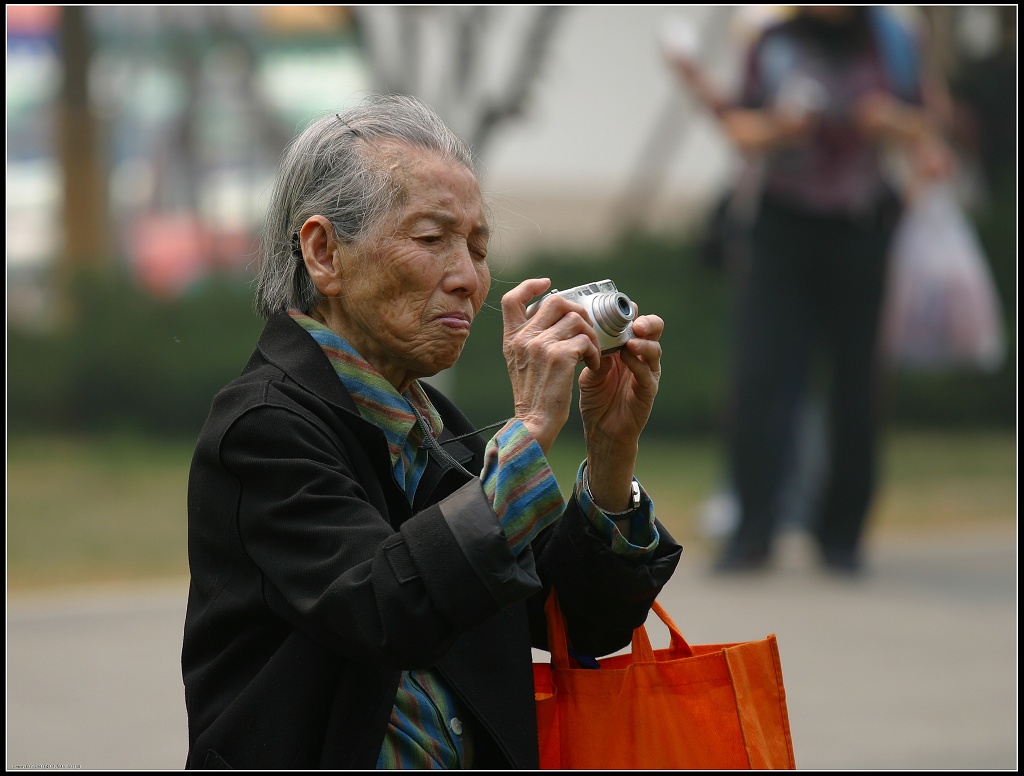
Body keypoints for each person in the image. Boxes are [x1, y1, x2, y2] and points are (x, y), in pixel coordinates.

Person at [181, 93, 680, 769]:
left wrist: (611, 453)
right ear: (324, 252)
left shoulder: (432, 427)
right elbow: (387, 607)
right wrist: (530, 428)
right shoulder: (264, 428)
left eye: (477, 248)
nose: (468, 279)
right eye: (432, 239)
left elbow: (578, 622)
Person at [665, 6, 953, 574]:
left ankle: (841, 536)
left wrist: (890, 122)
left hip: (862, 227)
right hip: (780, 227)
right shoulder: (771, 40)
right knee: (760, 380)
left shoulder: (892, 39)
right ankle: (752, 530)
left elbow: (929, 123)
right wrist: (782, 127)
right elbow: (740, 128)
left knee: (855, 386)